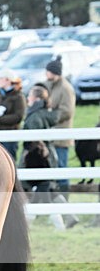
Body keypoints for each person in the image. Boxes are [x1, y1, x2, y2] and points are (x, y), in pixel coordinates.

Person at [19, 83, 66, 230]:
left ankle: (29, 223)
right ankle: (70, 217)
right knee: (49, 190)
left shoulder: (34, 117)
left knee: (42, 193)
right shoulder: (45, 113)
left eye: (30, 96)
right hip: (47, 156)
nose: (27, 98)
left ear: (37, 99)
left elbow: (32, 141)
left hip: (38, 158)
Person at [45, 55, 79, 228]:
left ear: (55, 73)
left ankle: (65, 205)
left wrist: (50, 116)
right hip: (52, 136)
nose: (46, 74)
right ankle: (59, 207)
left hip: (61, 137)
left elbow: (67, 111)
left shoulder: (66, 88)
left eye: (49, 71)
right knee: (53, 174)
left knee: (62, 173)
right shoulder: (51, 85)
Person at [0, 69, 26, 161]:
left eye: (0, 79)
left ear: (7, 80)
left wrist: (0, 120)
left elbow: (18, 117)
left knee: (9, 160)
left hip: (9, 135)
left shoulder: (18, 97)